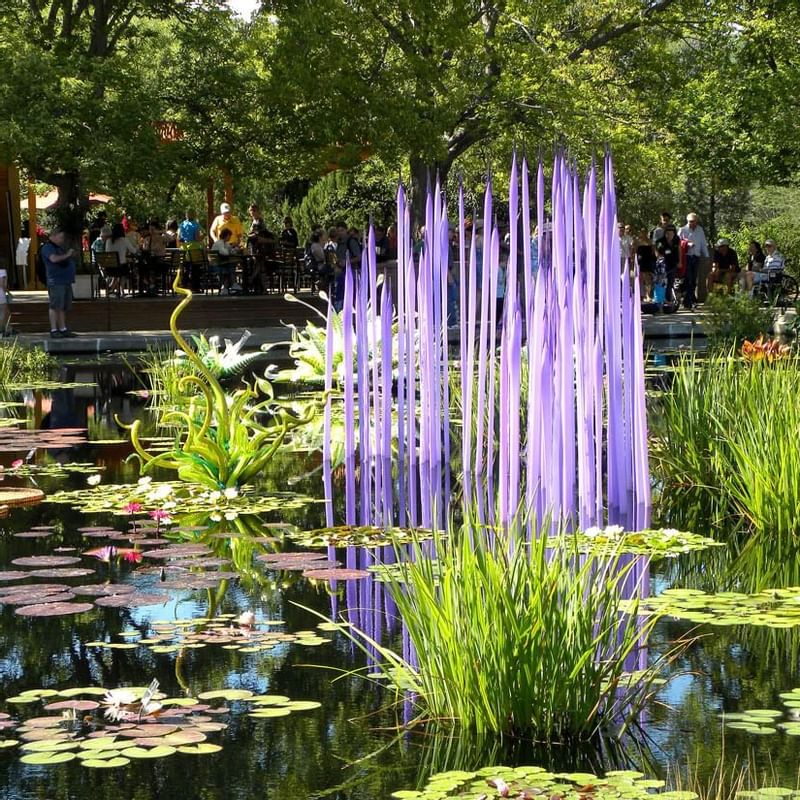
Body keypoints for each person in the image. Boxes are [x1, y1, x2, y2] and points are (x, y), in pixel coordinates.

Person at [40, 229, 77, 338]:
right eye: (60, 237)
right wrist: (67, 255)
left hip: (65, 281)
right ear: (53, 236)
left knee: (62, 307)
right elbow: (54, 259)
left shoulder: (59, 247)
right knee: (55, 305)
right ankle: (54, 329)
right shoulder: (47, 247)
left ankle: (63, 328)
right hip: (56, 281)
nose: (62, 240)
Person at [678, 212, 709, 309]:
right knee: (689, 279)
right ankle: (690, 301)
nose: (691, 223)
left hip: (696, 257)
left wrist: (707, 256)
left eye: (693, 221)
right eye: (690, 221)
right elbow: (677, 243)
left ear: (696, 221)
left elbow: (703, 243)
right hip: (686, 257)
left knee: (694, 279)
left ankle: (688, 300)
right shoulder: (682, 230)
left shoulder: (700, 230)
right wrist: (686, 244)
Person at [210, 229, 241, 294]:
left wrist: (235, 249)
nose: (230, 237)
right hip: (216, 266)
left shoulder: (225, 243)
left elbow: (231, 252)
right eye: (229, 236)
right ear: (226, 236)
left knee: (231, 265)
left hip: (220, 264)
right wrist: (232, 247)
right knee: (230, 266)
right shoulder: (219, 243)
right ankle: (232, 285)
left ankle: (227, 287)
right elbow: (225, 253)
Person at [654, 224, 680, 304]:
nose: (670, 235)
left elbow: (679, 250)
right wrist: (659, 259)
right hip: (663, 265)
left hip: (673, 264)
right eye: (668, 233)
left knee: (670, 283)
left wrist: (680, 262)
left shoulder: (677, 239)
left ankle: (668, 299)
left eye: (672, 233)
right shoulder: (660, 241)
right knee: (662, 283)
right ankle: (661, 300)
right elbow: (657, 252)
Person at [635, 228, 656, 300]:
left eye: (644, 232)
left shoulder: (650, 241)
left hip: (648, 261)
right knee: (640, 278)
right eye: (642, 232)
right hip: (640, 262)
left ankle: (648, 295)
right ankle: (640, 295)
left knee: (648, 279)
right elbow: (634, 251)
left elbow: (653, 252)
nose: (643, 234)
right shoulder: (637, 241)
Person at [0, 262, 9, 335]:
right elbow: (2, 284)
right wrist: (8, 292)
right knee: (3, 312)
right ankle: (2, 330)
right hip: (1, 294)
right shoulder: (2, 271)